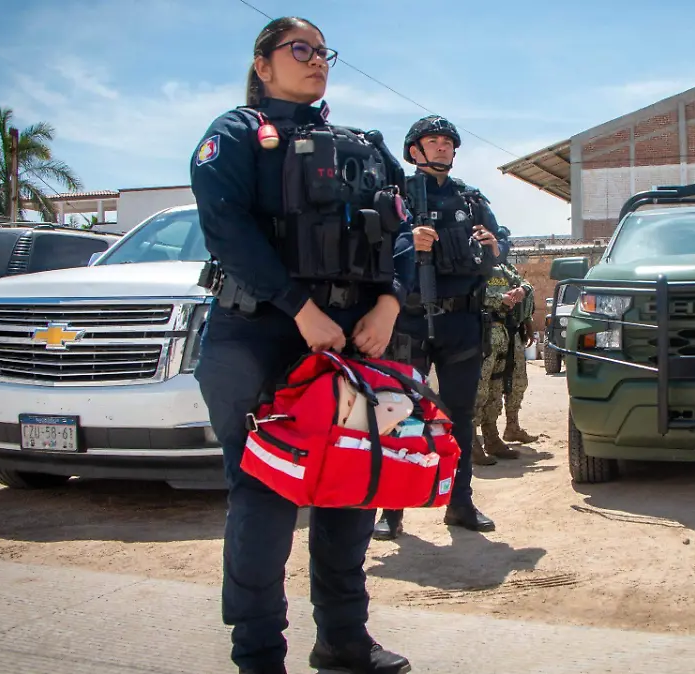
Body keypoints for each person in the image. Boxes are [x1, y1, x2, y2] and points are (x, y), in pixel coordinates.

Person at [190, 16, 411, 674]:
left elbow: (401, 225)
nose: (316, 60)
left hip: (352, 340)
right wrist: (298, 307)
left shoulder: (361, 145)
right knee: (264, 496)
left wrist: (391, 301)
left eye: (323, 52)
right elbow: (225, 227)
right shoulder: (234, 135)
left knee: (351, 486)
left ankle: (343, 639)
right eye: (300, 49)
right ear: (263, 65)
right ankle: (258, 656)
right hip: (258, 335)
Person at [371, 115, 507, 541]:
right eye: (433, 141)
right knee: (399, 411)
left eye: (448, 142)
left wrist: (496, 245)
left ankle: (459, 501)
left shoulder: (471, 199)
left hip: (462, 320)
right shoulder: (397, 198)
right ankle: (391, 510)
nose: (443, 147)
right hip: (410, 319)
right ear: (415, 151)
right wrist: (409, 240)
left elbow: (502, 240)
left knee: (460, 415)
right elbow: (372, 245)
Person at [472, 260, 530, 462]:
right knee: (478, 389)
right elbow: (470, 293)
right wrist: (500, 299)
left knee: (495, 388)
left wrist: (521, 290)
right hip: (482, 333)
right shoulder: (471, 262)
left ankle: (492, 438)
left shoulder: (503, 268)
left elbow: (525, 283)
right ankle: (471, 442)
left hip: (503, 331)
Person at [494, 254, 539, 445]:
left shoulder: (508, 270)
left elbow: (526, 287)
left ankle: (512, 426)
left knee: (518, 381)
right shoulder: (477, 266)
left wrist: (528, 326)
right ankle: (487, 435)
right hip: (489, 332)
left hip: (512, 333)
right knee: (489, 387)